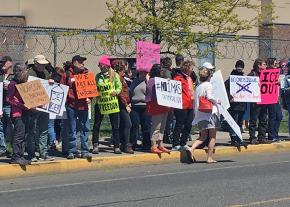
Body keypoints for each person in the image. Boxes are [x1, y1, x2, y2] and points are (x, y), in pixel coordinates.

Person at [60, 55, 92, 159]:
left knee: (85, 129)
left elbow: (91, 89)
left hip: (83, 106)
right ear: (74, 63)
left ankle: (85, 150)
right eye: (80, 62)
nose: (83, 64)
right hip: (71, 105)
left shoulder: (87, 74)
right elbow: (62, 88)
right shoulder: (67, 74)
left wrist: (90, 98)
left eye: (83, 62)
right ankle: (72, 151)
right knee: (72, 129)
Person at [188, 67, 220, 163]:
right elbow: (210, 97)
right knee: (212, 136)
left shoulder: (198, 87)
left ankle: (191, 148)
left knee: (203, 136)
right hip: (209, 113)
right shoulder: (208, 85)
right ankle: (209, 157)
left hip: (200, 114)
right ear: (209, 76)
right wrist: (217, 101)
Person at [26, 55, 54, 161]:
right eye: (41, 64)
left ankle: (43, 153)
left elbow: (48, 88)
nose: (43, 66)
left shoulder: (46, 73)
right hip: (32, 108)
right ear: (35, 64)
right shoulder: (29, 74)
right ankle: (31, 154)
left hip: (44, 106)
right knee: (32, 131)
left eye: (44, 64)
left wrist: (51, 82)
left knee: (43, 130)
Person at [93, 55, 122, 154]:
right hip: (101, 103)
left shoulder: (114, 75)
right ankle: (95, 145)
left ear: (105, 65)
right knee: (97, 125)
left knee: (115, 126)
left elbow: (119, 87)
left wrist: (116, 92)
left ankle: (116, 146)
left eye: (100, 65)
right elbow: (95, 88)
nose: (99, 67)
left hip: (112, 103)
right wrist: (97, 94)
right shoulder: (98, 76)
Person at [6, 63, 31, 165]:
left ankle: (21, 155)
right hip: (17, 113)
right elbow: (8, 99)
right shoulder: (13, 84)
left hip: (25, 111)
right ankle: (16, 156)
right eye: (25, 71)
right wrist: (21, 105)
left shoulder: (24, 83)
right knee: (19, 135)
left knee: (24, 135)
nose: (26, 73)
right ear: (19, 72)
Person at [145, 64, 171, 154]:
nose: (163, 72)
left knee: (162, 127)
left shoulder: (161, 80)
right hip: (156, 106)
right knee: (156, 127)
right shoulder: (152, 81)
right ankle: (153, 145)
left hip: (164, 106)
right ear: (157, 71)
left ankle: (161, 144)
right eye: (161, 70)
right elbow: (149, 91)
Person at [172, 60, 196, 151]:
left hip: (190, 104)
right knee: (179, 124)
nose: (192, 70)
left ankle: (183, 142)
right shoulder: (178, 78)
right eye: (191, 68)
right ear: (186, 68)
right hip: (181, 105)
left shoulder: (189, 78)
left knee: (188, 124)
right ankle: (175, 143)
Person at [112, 59, 134, 154]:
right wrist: (126, 105)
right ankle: (126, 145)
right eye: (122, 70)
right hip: (121, 104)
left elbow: (126, 92)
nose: (124, 71)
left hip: (124, 103)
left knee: (122, 125)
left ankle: (122, 143)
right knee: (128, 124)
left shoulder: (123, 78)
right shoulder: (118, 79)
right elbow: (120, 93)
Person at [224, 60, 247, 148]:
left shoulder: (243, 78)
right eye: (238, 66)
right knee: (234, 121)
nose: (240, 68)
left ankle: (239, 138)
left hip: (242, 104)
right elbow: (225, 88)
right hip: (234, 104)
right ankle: (233, 138)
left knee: (240, 122)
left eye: (241, 66)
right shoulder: (231, 78)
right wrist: (230, 97)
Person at [248, 59, 269, 144]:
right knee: (254, 119)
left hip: (264, 99)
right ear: (259, 65)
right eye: (264, 64)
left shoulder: (266, 75)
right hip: (255, 100)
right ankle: (252, 137)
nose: (265, 66)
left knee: (263, 119)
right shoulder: (252, 74)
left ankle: (262, 137)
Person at [129, 71, 151, 150]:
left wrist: (148, 81)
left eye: (145, 73)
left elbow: (151, 93)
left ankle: (146, 144)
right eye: (142, 73)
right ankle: (133, 143)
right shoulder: (135, 81)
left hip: (145, 106)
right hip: (135, 106)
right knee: (134, 124)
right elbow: (130, 92)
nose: (143, 74)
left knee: (146, 125)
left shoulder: (149, 81)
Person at [266, 58, 283, 142]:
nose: (276, 65)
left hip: (276, 97)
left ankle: (275, 133)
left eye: (276, 64)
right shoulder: (268, 73)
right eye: (274, 64)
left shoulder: (277, 73)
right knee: (272, 116)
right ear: (270, 64)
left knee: (279, 116)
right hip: (270, 97)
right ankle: (271, 135)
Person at [48, 66, 65, 150]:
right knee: (62, 125)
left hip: (51, 105)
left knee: (50, 124)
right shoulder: (64, 79)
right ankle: (61, 141)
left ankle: (53, 142)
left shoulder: (50, 79)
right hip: (62, 105)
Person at [0, 56, 14, 156]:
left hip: (10, 105)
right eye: (2, 62)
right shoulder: (0, 75)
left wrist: (10, 86)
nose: (3, 64)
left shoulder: (14, 75)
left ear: (10, 63)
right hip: (1, 105)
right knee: (1, 127)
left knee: (12, 127)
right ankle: (2, 148)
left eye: (5, 62)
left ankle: (12, 148)